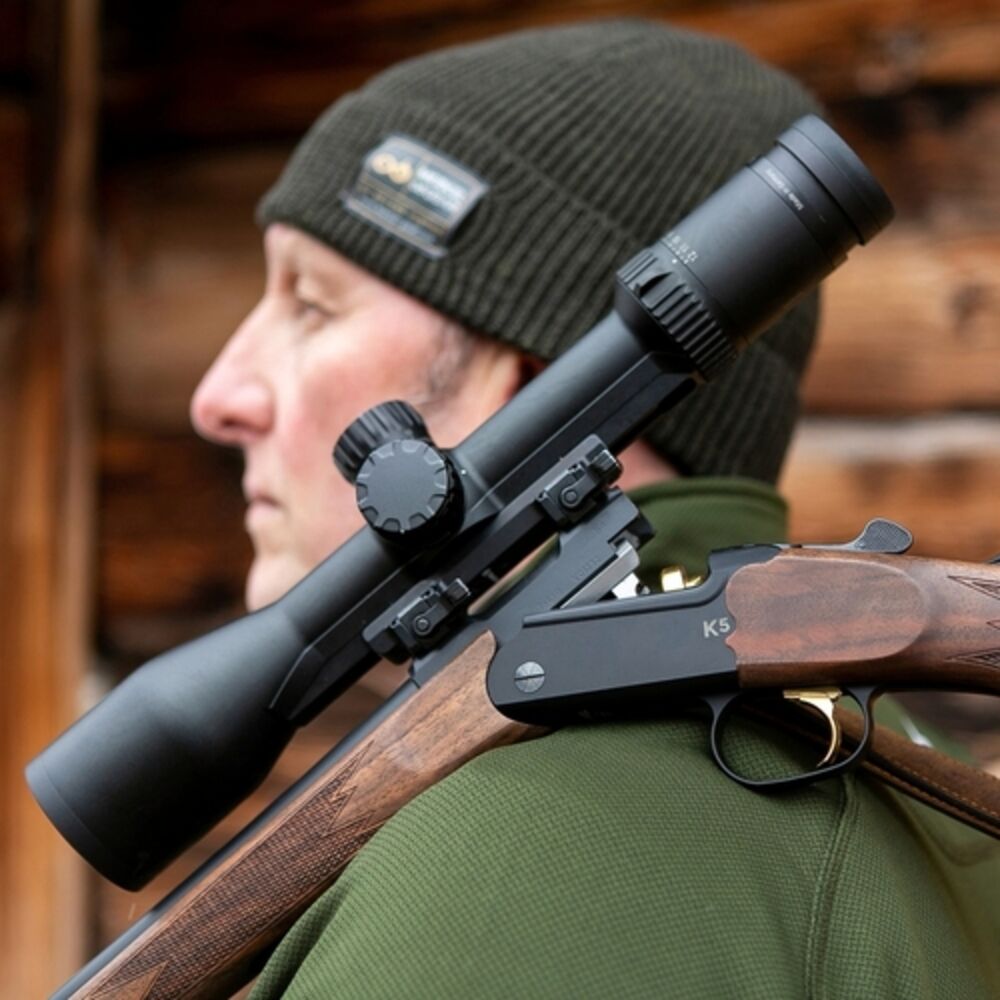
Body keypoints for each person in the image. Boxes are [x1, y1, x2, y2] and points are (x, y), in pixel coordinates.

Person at [191, 20, 1000, 999]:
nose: (218, 395)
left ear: (531, 382)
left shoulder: (500, 869)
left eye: (312, 304)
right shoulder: (932, 800)